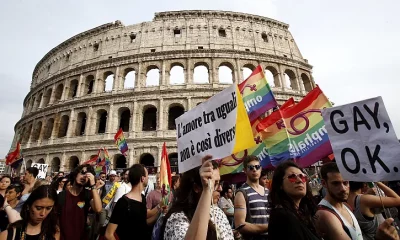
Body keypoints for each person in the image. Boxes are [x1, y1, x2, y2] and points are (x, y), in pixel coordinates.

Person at [161, 155, 234, 240]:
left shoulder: (218, 213)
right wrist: (207, 190)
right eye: (215, 183)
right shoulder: (177, 218)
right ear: (196, 188)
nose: (220, 189)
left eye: (219, 183)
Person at [105, 164, 162, 240]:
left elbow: (143, 222)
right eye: (147, 175)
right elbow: (109, 234)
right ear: (142, 178)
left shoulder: (142, 198)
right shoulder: (123, 202)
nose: (148, 178)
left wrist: (159, 211)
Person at [268, 161, 320, 239]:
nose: (299, 180)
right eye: (292, 177)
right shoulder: (281, 216)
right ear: (280, 185)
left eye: (302, 176)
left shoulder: (303, 214)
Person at [315, 162, 363, 240]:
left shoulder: (345, 205)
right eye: (336, 183)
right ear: (324, 183)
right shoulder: (325, 214)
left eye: (345, 183)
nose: (343, 189)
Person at [58, 164, 102, 240]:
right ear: (75, 174)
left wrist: (93, 185)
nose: (84, 177)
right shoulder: (62, 195)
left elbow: (98, 209)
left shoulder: (87, 195)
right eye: (82, 173)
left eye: (88, 176)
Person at [234, 155, 269, 240]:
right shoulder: (242, 193)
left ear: (260, 169)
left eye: (257, 167)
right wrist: (270, 227)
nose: (254, 169)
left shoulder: (268, 192)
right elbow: (240, 225)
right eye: (250, 167)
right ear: (245, 171)